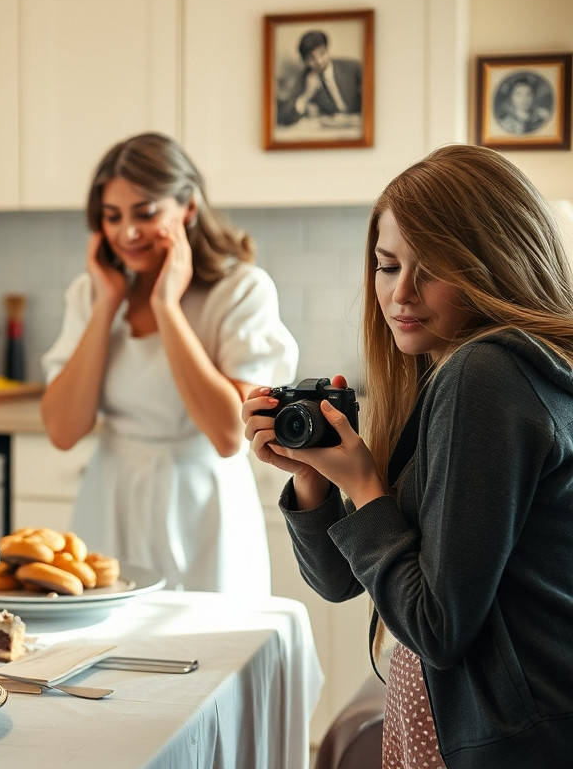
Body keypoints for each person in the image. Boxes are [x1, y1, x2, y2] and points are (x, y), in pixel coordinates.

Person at [242, 145, 573, 766]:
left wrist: (366, 485)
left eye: (434, 267)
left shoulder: (486, 373)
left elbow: (436, 628)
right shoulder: (457, 371)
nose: (401, 293)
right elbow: (343, 582)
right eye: (387, 265)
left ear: (493, 263)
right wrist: (316, 480)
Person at [40, 132, 298, 596]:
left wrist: (167, 307)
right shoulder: (90, 293)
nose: (127, 233)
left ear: (188, 208)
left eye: (146, 213)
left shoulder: (240, 291)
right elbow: (62, 429)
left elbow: (226, 434)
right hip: (110, 499)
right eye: (112, 217)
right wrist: (106, 306)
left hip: (203, 508)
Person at [277, 29, 364, 126]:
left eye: (322, 53)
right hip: (333, 131)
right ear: (305, 62)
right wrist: (307, 94)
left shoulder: (352, 67)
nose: (319, 61)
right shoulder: (304, 78)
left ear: (327, 49)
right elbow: (283, 116)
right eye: (311, 58)